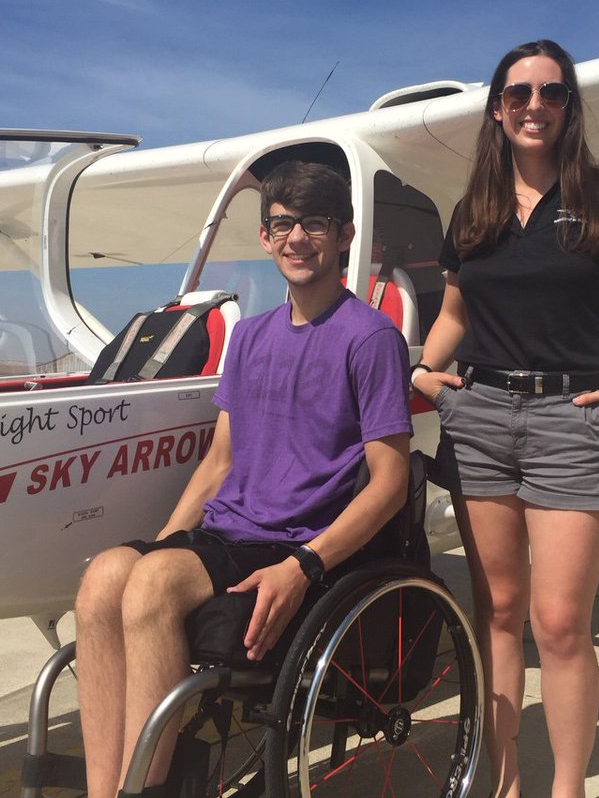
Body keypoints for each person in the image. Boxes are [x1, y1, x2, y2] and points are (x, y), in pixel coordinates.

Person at [74, 160, 412, 798]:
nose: (296, 238)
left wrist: (304, 566)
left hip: (296, 542)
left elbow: (390, 483)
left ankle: (143, 792)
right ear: (264, 237)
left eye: (315, 223)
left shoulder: (370, 339)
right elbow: (219, 463)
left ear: (343, 235)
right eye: (282, 225)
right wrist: (166, 540)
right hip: (229, 534)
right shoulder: (250, 338)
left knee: (151, 585)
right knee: (104, 578)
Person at [411, 40, 599, 798]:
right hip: (481, 419)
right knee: (497, 611)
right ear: (497, 109)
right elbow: (455, 311)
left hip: (572, 419)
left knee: (559, 624)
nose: (535, 105)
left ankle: (567, 788)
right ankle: (503, 783)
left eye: (551, 93)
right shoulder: (474, 210)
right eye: (518, 93)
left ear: (569, 107)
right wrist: (423, 370)